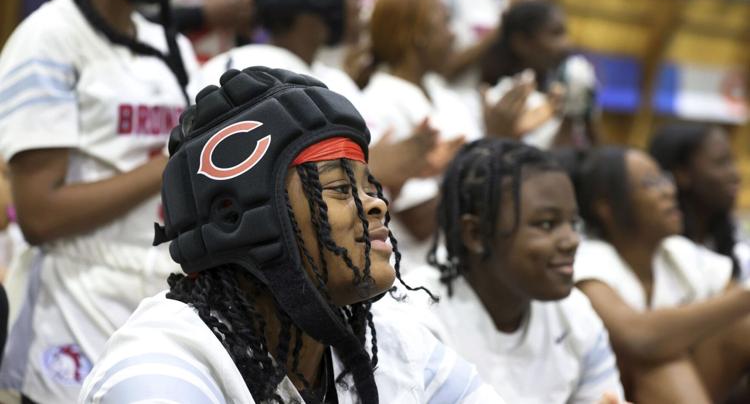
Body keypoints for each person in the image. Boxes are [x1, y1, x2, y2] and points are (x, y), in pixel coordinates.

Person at [80, 66, 505, 403]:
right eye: (341, 189)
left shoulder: (395, 341)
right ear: (240, 217)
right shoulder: (158, 368)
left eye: (369, 187)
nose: (376, 204)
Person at [0, 0, 198, 401]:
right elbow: (40, 215)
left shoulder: (169, 45)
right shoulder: (48, 39)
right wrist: (169, 166)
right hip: (70, 303)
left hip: (156, 299)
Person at [197, 0, 442, 202]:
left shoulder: (336, 81)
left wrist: (400, 167)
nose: (359, 2)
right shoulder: (238, 74)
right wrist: (374, 167)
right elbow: (244, 193)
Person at [381, 138, 625, 403]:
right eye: (546, 224)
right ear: (475, 234)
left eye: (573, 223)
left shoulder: (576, 313)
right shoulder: (413, 317)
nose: (572, 240)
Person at [365, 0, 524, 269]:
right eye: (445, 23)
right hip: (416, 271)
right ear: (417, 36)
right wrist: (491, 147)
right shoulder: (381, 102)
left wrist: (503, 137)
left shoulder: (443, 95)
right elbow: (421, 221)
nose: (453, 35)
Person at [573, 146, 750, 403]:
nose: (669, 190)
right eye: (650, 183)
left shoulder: (677, 251)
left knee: (743, 327)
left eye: (664, 179)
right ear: (606, 207)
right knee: (662, 365)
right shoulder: (589, 260)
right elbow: (639, 339)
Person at [482, 0, 597, 149]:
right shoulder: (503, 98)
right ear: (522, 42)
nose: (567, 44)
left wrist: (585, 111)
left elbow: (593, 155)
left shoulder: (562, 92)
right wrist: (568, 116)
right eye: (556, 34)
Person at [649, 123, 748, 280]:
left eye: (732, 161)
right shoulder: (657, 252)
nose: (735, 175)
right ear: (682, 174)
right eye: (721, 163)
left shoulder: (732, 240)